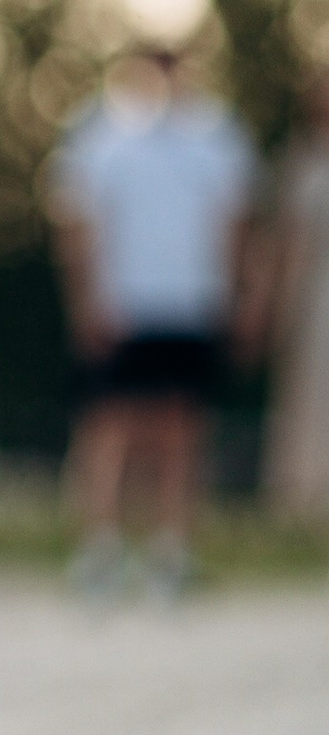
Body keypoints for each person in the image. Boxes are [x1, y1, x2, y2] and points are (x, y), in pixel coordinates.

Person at [49, 43, 259, 595]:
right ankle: (100, 552)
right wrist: (85, 300)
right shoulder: (100, 133)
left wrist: (236, 297)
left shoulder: (217, 137)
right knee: (108, 429)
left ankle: (173, 553)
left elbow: (234, 222)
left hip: (191, 303)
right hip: (123, 304)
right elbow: (77, 223)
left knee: (183, 430)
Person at [262, 70, 329, 519]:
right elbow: (284, 245)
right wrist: (274, 309)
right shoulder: (302, 162)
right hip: (316, 300)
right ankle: (304, 500)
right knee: (309, 396)